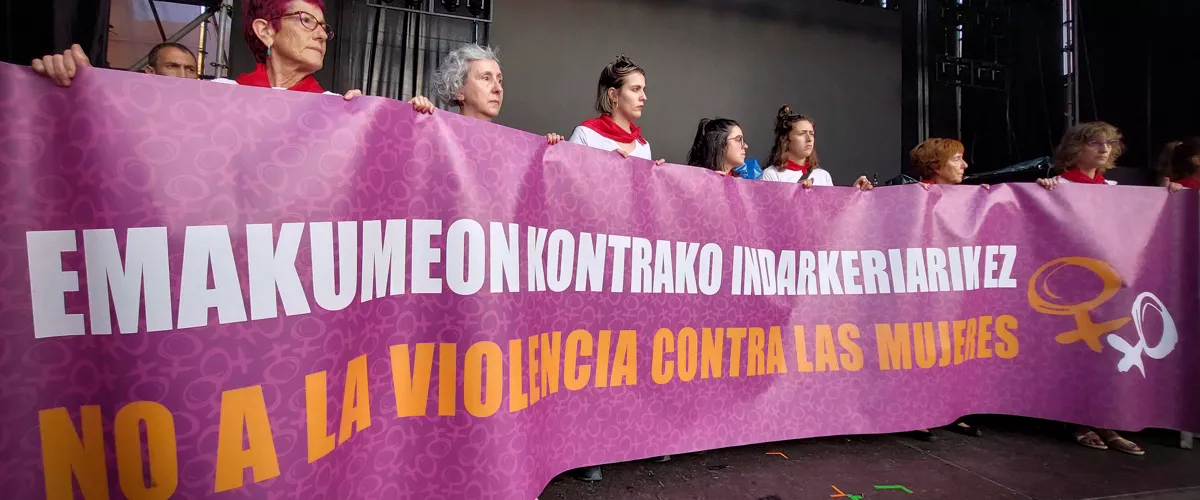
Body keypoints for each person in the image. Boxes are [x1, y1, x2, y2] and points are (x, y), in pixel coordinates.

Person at [30, 0, 362, 100]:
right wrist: (85, 92)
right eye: (306, 20)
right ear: (265, 32)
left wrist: (405, 119)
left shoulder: (335, 109)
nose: (321, 35)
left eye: (323, 26)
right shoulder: (215, 98)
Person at [408, 44, 563, 145]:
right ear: (459, 90)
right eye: (486, 78)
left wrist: (548, 151)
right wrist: (407, 118)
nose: (498, 89)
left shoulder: (510, 147)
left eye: (500, 80)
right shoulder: (436, 134)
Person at [567, 55, 666, 165]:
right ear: (613, 94)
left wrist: (656, 176)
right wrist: (606, 165)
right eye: (635, 89)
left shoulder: (644, 147)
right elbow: (568, 178)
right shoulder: (585, 135)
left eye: (643, 90)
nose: (644, 97)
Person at [1036, 122, 1180, 194]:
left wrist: (1164, 195)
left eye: (1110, 143)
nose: (1104, 149)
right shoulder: (1058, 186)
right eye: (1095, 143)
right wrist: (1041, 192)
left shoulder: (1113, 188)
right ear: (1075, 148)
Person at [760, 106, 872, 190]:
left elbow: (833, 215)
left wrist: (855, 192)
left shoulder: (823, 176)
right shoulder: (771, 175)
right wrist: (794, 194)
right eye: (802, 133)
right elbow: (765, 214)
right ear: (784, 139)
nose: (809, 139)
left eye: (811, 133)